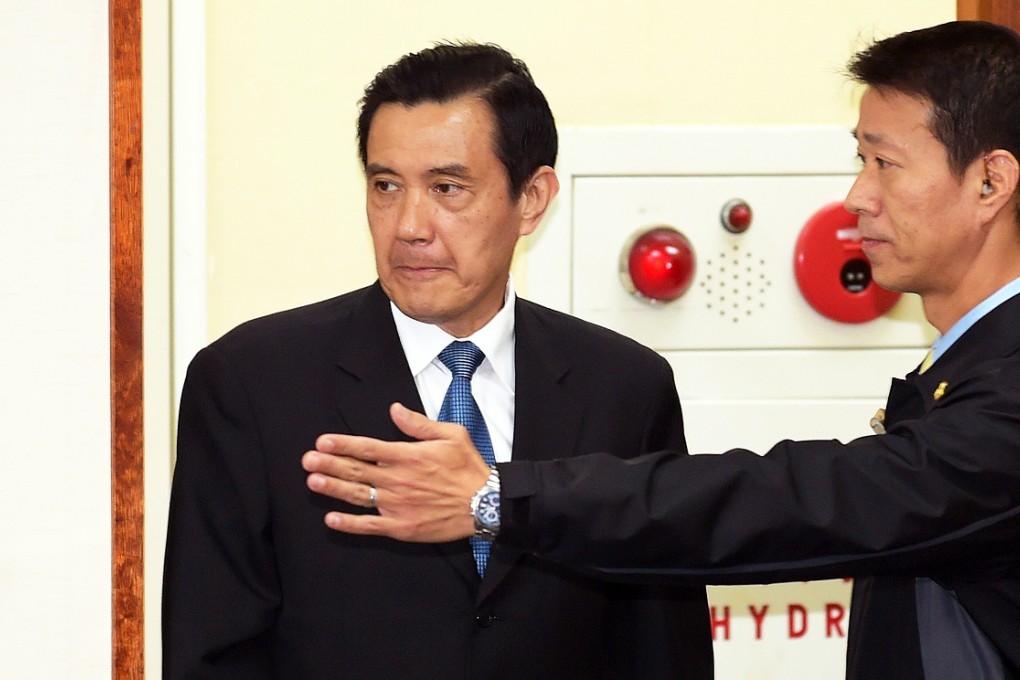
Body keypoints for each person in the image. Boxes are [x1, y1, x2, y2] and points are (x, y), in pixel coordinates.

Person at [301, 21, 1020, 679]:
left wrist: (498, 497)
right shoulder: (960, 372)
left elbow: (807, 500)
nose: (856, 197)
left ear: (990, 181)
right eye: (860, 159)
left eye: (885, 164)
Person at [163, 42, 713, 679]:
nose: (408, 225)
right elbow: (210, 653)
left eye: (447, 188)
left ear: (532, 198)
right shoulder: (251, 382)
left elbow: (662, 653)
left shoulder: (624, 387)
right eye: (386, 186)